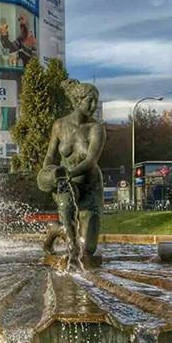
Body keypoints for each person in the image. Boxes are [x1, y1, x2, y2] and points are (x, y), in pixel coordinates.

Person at [39, 79, 106, 259]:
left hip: (90, 186)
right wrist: (49, 175)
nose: (93, 106)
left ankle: (54, 230)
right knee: (73, 241)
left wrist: (70, 173)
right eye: (89, 100)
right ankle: (62, 231)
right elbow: (50, 157)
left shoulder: (96, 129)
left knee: (88, 249)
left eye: (96, 101)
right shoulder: (59, 125)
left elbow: (91, 160)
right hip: (65, 185)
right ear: (78, 101)